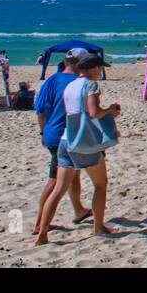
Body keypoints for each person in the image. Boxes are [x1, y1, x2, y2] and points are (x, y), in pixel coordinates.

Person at [36, 54, 119, 244]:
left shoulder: (70, 85)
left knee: (58, 189)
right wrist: (110, 111)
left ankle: (42, 233)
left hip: (66, 140)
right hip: (85, 142)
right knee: (100, 184)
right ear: (92, 68)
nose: (101, 71)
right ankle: (99, 227)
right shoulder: (91, 85)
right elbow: (94, 112)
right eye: (99, 68)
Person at [33, 54, 89, 235]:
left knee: (73, 174)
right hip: (65, 136)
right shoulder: (80, 82)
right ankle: (40, 225)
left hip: (52, 134)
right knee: (56, 181)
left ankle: (79, 210)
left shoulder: (52, 79)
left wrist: (43, 131)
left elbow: (40, 109)